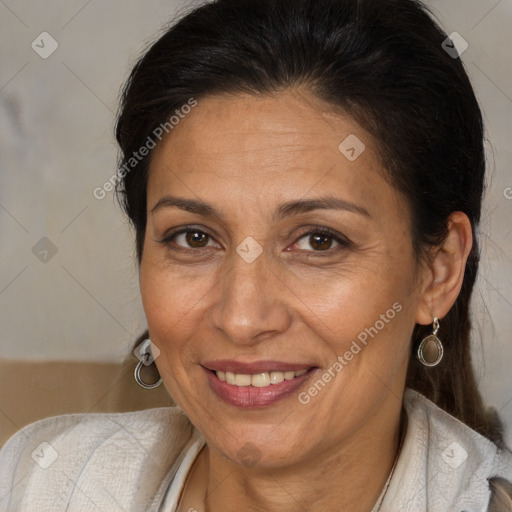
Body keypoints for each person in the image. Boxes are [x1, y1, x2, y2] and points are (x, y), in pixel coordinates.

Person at [1, 0, 512, 510]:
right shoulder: (43, 483)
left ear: (439, 271)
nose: (242, 318)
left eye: (318, 240)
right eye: (194, 238)